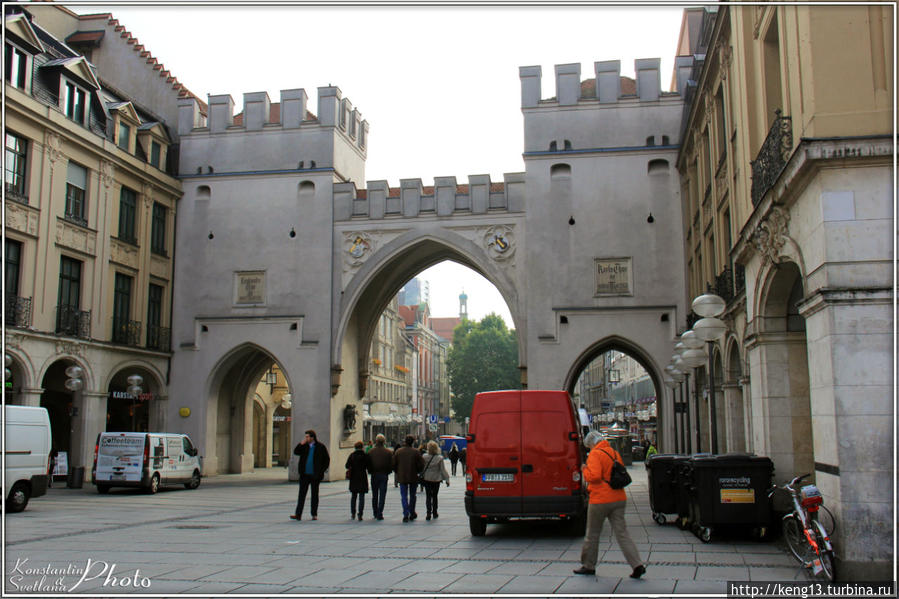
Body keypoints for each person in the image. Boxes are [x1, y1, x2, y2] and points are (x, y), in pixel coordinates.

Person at [574, 430, 646, 579]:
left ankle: (588, 565)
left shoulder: (595, 454)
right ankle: (637, 564)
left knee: (592, 534)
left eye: (589, 446)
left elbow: (594, 476)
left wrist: (584, 469)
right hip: (619, 498)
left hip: (600, 500)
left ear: (592, 443)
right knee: (622, 534)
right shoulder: (614, 452)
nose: (589, 449)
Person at [291, 429, 330, 521]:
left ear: (313, 437)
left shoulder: (320, 447)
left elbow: (326, 459)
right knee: (301, 495)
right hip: (305, 475)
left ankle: (314, 514)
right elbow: (296, 452)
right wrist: (301, 443)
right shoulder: (304, 446)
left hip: (315, 475)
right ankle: (298, 514)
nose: (306, 438)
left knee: (314, 495)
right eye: (306, 437)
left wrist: (321, 471)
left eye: (308, 437)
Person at [392, 434, 424, 522]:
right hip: (413, 476)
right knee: (413, 495)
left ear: (405, 441)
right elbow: (421, 464)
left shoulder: (399, 451)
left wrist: (398, 472)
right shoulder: (416, 452)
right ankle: (412, 511)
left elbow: (393, 464)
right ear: (413, 442)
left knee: (404, 496)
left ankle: (406, 513)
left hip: (402, 476)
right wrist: (417, 471)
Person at [420, 441, 450, 520]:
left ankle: (428, 513)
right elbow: (443, 470)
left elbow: (422, 468)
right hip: (436, 479)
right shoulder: (439, 458)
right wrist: (447, 479)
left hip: (427, 478)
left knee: (428, 496)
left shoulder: (424, 457)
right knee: (435, 496)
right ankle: (435, 512)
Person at [367, 433, 393, 520]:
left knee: (375, 495)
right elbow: (391, 465)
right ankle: (380, 512)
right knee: (382, 494)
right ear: (384, 441)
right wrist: (388, 472)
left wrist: (370, 471)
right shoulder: (388, 452)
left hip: (374, 475)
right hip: (384, 475)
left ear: (376, 441)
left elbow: (368, 464)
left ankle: (375, 512)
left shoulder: (371, 452)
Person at [345, 440, 369, 520]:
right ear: (362, 447)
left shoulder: (352, 455)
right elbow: (369, 466)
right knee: (362, 496)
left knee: (354, 496)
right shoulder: (365, 455)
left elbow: (347, 465)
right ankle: (360, 514)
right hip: (362, 477)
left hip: (354, 477)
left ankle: (353, 513)